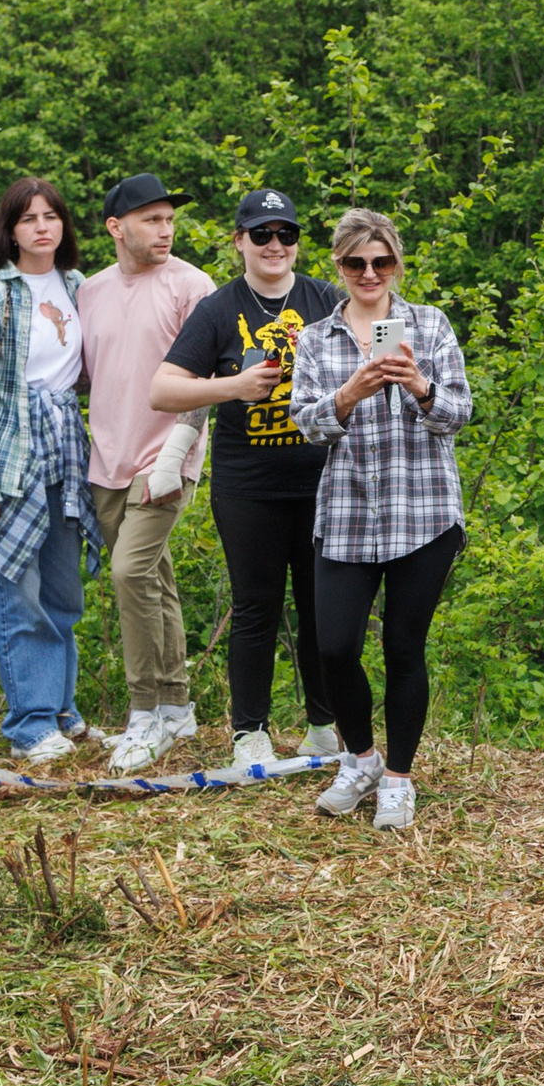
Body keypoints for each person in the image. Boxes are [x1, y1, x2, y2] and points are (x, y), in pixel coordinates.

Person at [287, 209, 472, 831]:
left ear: (397, 263)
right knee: (334, 646)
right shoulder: (317, 338)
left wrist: (419, 385)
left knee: (402, 646)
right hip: (346, 514)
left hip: (422, 511)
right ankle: (360, 758)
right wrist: (349, 394)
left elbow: (459, 412)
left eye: (382, 261)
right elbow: (304, 423)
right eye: (355, 263)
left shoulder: (430, 324)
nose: (369, 273)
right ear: (337, 267)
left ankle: (399, 777)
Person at [153, 188, 344, 768]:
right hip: (248, 485)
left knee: (322, 608)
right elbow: (163, 390)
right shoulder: (216, 309)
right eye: (261, 234)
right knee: (257, 605)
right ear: (239, 241)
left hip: (324, 482)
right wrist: (230, 387)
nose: (274, 245)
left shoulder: (326, 299)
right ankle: (250, 732)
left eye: (286, 234)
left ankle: (323, 724)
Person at [0, 177, 103, 766]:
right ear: (10, 230)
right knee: (20, 593)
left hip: (67, 447)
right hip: (12, 455)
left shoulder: (79, 287)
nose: (43, 227)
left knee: (64, 591)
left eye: (52, 216)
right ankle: (29, 721)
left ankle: (62, 710)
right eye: (28, 219)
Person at [79, 174, 217, 774]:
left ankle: (144, 714)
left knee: (129, 572)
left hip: (165, 458)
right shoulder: (89, 290)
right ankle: (177, 709)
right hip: (104, 459)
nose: (166, 230)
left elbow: (210, 379)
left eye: (169, 220)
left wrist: (174, 456)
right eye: (152, 220)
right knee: (152, 580)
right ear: (116, 227)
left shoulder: (192, 285)